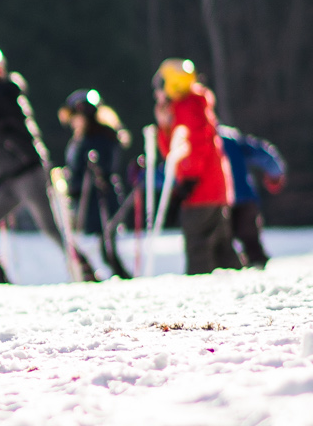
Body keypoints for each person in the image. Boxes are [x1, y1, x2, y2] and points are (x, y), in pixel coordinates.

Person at [0, 45, 93, 284]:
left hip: (28, 175)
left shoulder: (2, 97)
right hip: (8, 179)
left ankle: (85, 273)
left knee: (50, 228)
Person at [151, 58, 239, 275]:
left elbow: (197, 145)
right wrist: (164, 125)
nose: (158, 92)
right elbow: (172, 152)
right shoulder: (185, 106)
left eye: (162, 85)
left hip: (202, 190)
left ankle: (199, 291)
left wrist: (189, 180)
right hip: (211, 189)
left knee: (199, 246)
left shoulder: (188, 106)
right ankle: (240, 286)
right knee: (221, 247)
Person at [58, 89, 133, 279]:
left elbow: (102, 167)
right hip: (84, 200)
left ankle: (120, 279)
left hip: (100, 199)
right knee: (97, 248)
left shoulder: (102, 138)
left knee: (105, 248)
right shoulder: (79, 139)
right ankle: (97, 277)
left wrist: (92, 171)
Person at [220, 125, 285, 269]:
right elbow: (263, 153)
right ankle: (257, 269)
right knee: (250, 240)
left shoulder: (204, 138)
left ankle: (234, 272)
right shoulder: (232, 138)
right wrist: (275, 174)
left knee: (221, 243)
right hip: (245, 197)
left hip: (219, 200)